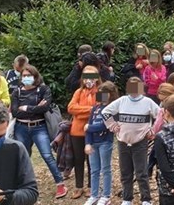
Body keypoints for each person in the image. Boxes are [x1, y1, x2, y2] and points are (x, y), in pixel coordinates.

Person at [11, 64, 68, 199]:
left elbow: (45, 108)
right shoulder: (16, 92)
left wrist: (26, 108)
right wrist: (35, 107)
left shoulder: (43, 89)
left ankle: (60, 183)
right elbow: (15, 112)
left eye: (29, 75)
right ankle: (21, 183)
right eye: (24, 76)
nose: (26, 78)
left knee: (47, 155)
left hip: (39, 127)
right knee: (22, 156)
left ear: (35, 76)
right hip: (21, 128)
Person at [103, 77, 160, 205]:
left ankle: (146, 199)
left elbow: (160, 115)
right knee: (125, 172)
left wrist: (153, 131)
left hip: (140, 142)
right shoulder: (122, 101)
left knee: (141, 172)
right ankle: (127, 198)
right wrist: (112, 126)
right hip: (123, 141)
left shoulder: (147, 102)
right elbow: (105, 112)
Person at [67, 65, 101, 199]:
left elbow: (99, 110)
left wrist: (80, 111)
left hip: (93, 131)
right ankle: (78, 186)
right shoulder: (78, 92)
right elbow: (70, 108)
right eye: (86, 76)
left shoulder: (101, 91)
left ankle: (91, 186)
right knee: (78, 159)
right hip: (77, 131)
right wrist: (89, 110)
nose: (89, 80)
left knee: (92, 160)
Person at [84, 81, 119, 205]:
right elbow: (89, 125)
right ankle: (94, 195)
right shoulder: (95, 108)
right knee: (94, 170)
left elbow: (106, 126)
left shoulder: (112, 109)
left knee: (105, 169)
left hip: (105, 142)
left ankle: (106, 195)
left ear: (111, 94)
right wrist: (87, 143)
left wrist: (89, 127)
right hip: (93, 143)